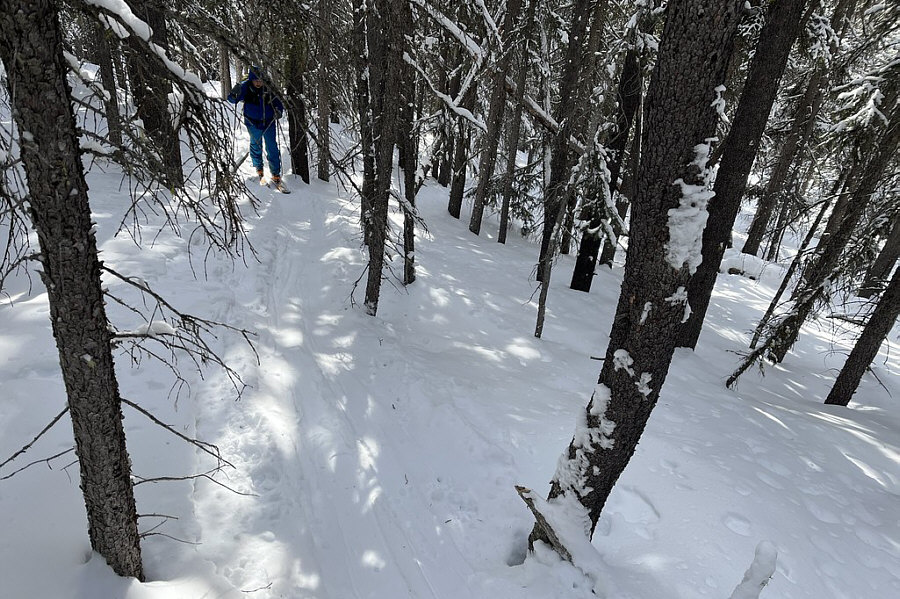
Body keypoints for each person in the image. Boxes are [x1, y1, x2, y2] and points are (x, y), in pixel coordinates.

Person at [227, 65, 287, 190]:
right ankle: (259, 169)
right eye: (256, 80)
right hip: (252, 122)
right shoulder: (245, 87)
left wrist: (279, 111)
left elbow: (278, 102)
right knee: (256, 145)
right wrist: (234, 93)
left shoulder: (269, 88)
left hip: (269, 122)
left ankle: (275, 174)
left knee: (272, 147)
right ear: (251, 80)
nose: (258, 83)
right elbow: (232, 100)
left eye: (260, 80)